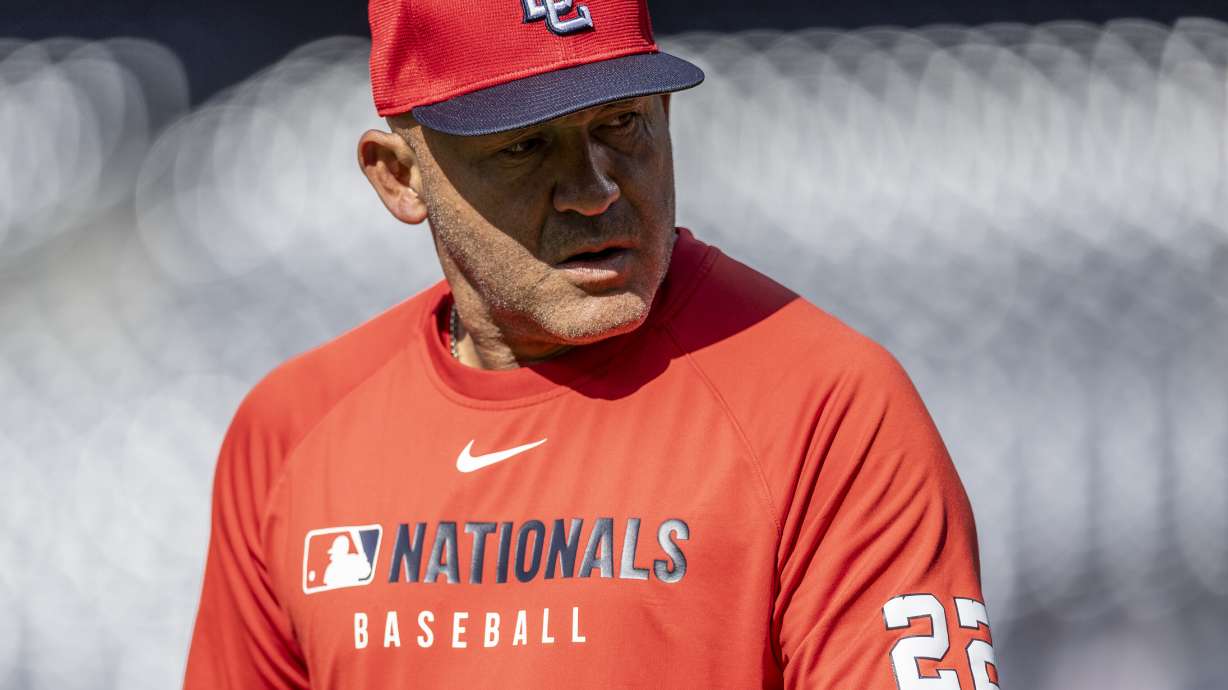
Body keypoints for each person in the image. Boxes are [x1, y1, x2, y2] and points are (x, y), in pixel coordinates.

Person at [184, 0, 998, 688]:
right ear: (399, 176)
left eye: (620, 123)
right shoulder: (292, 432)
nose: (596, 190)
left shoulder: (826, 405)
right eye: (525, 145)